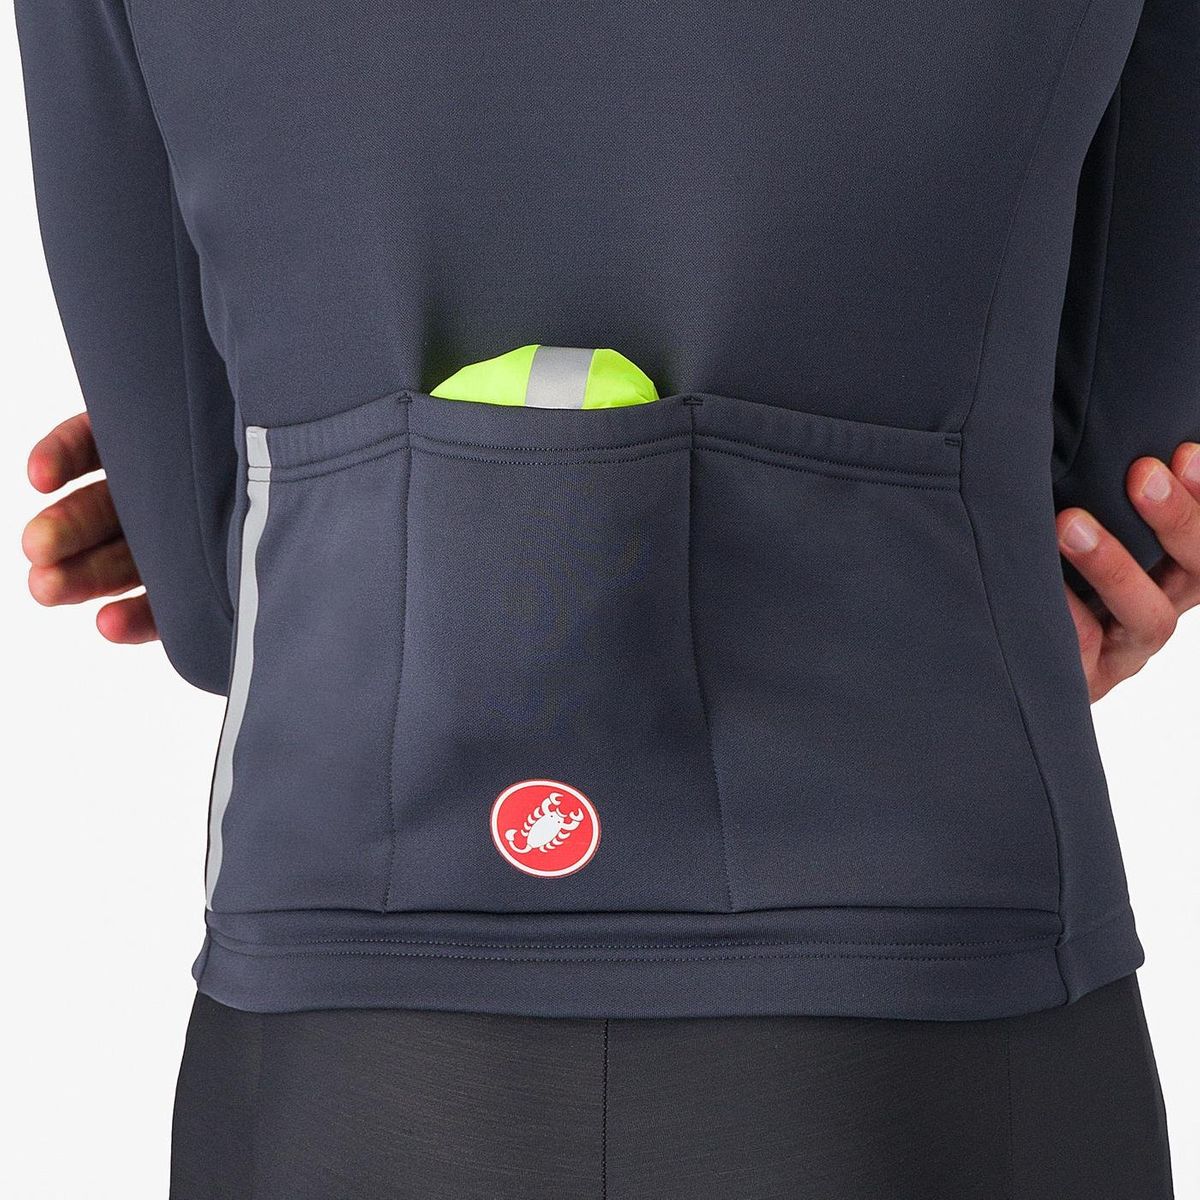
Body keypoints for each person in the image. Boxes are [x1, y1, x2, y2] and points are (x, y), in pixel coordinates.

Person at [13, 0, 1197, 1196]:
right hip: (933, 976)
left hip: (351, 1002)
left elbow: (208, 593)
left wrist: (330, 500)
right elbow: (1111, 522)